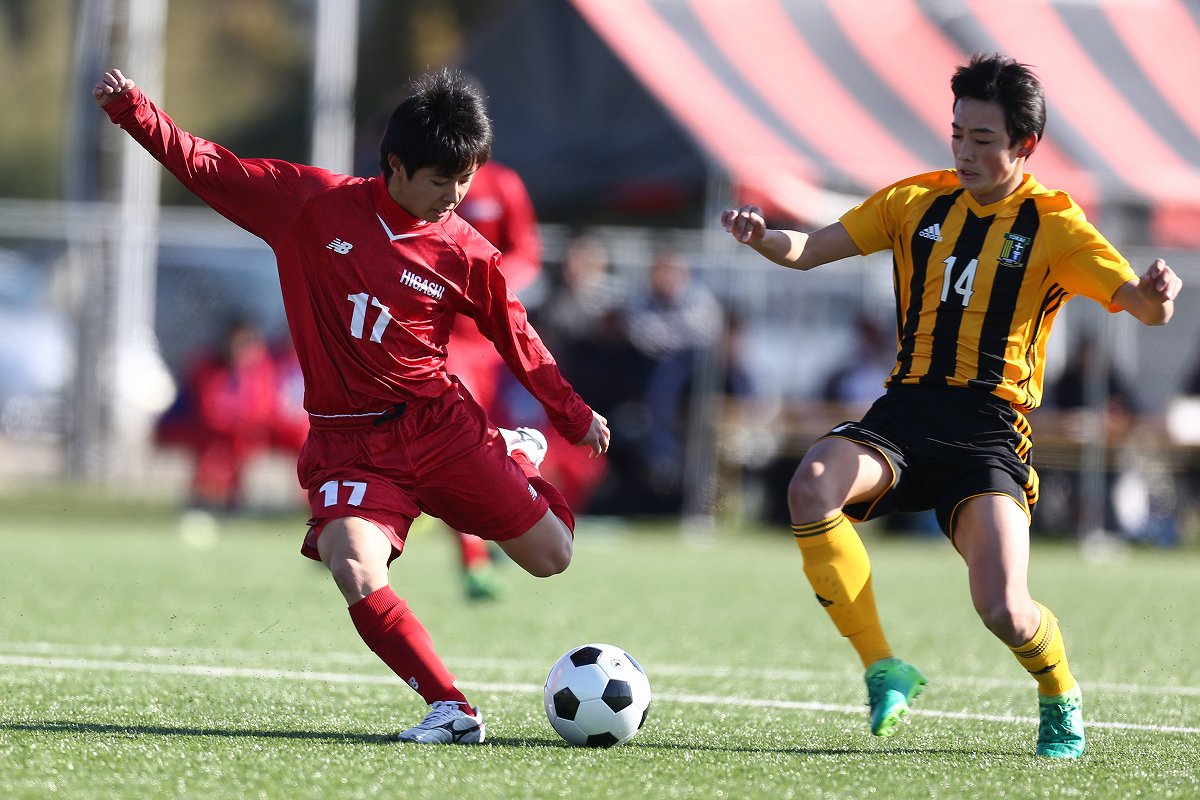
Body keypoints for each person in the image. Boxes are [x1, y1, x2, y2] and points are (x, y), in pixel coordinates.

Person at [96, 66, 609, 744]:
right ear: (394, 165)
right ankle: (450, 707)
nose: (453, 198)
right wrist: (136, 112)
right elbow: (211, 168)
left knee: (554, 557)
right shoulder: (314, 205)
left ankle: (511, 451)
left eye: (465, 181)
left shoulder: (465, 250)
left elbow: (517, 338)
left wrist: (572, 416)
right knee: (353, 565)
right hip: (350, 443)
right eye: (439, 181)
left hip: (441, 428)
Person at [721, 53, 1182, 759]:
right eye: (958, 133)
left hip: (990, 432)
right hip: (906, 413)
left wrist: (1158, 296)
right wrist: (762, 239)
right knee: (812, 484)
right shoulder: (916, 202)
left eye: (984, 140)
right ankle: (884, 667)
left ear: (1025, 146)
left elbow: (1141, 310)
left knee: (1003, 609)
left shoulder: (1056, 225)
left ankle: (1059, 692)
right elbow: (812, 248)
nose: (964, 151)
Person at [444, 158, 543, 601]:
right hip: (443, 342)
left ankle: (499, 525)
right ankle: (475, 564)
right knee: (456, 446)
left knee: (498, 445)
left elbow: (528, 255)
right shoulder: (419, 176)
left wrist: (493, 287)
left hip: (497, 344)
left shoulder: (504, 183)